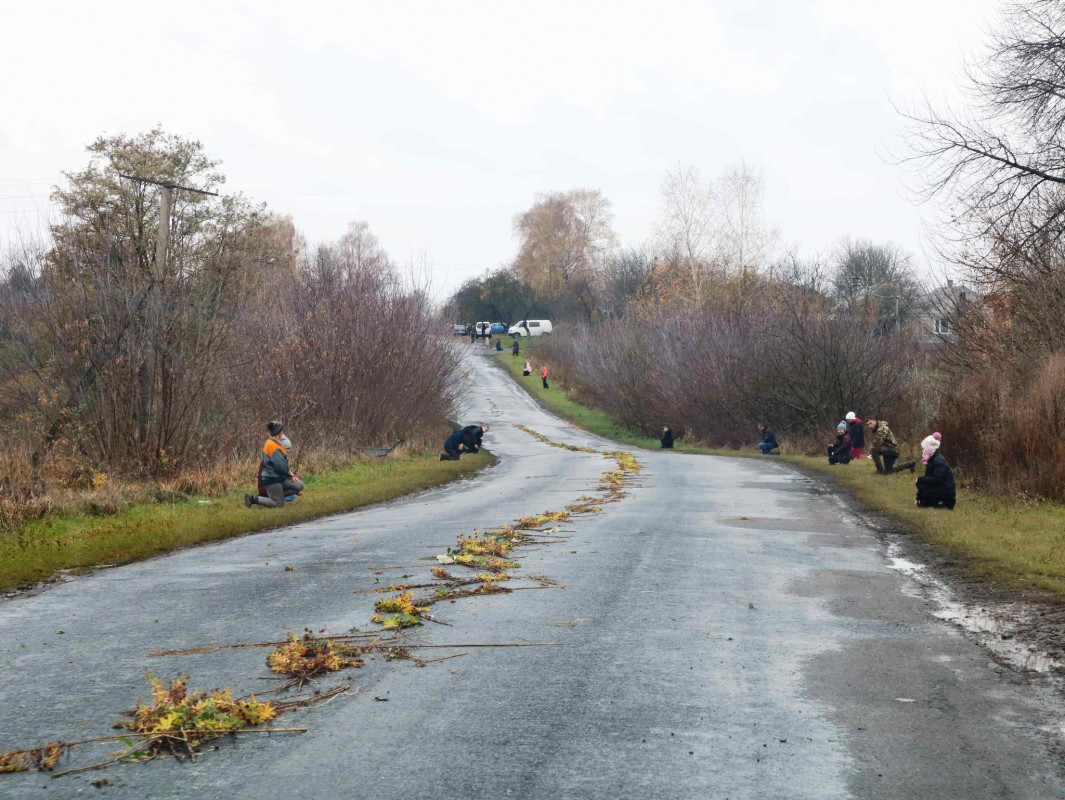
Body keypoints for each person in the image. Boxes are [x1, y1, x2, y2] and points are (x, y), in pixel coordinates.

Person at [246, 421, 305, 508]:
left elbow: (281, 467)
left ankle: (276, 496)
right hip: (272, 479)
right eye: (282, 431)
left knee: (299, 485)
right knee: (278, 504)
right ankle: (253, 499)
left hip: (278, 478)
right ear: (280, 433)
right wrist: (291, 474)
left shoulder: (274, 444)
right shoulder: (273, 446)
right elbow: (281, 467)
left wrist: (292, 475)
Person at [915, 433, 956, 509]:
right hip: (940, 489)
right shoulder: (932, 460)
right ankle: (924, 501)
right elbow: (929, 478)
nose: (923, 451)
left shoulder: (938, 461)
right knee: (921, 482)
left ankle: (942, 503)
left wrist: (920, 479)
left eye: (924, 448)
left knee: (921, 481)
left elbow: (936, 480)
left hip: (946, 495)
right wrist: (918, 497)